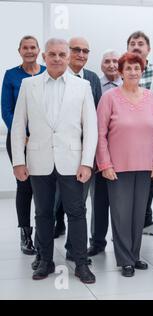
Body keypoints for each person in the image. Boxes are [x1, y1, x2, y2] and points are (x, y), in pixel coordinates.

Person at [11, 38, 98, 283]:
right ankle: (45, 261)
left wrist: (87, 162)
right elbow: (18, 125)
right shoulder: (29, 85)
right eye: (52, 54)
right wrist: (18, 161)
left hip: (72, 160)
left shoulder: (82, 87)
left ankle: (81, 263)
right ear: (43, 57)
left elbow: (91, 127)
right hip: (39, 160)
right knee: (42, 213)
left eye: (62, 54)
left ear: (68, 57)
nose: (57, 58)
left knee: (77, 213)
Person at [96, 52, 153, 277]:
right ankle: (124, 259)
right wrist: (104, 164)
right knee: (121, 214)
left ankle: (135, 256)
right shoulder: (110, 98)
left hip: (145, 166)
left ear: (141, 70)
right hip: (117, 167)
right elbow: (100, 133)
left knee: (138, 216)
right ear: (121, 71)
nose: (133, 72)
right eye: (128, 68)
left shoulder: (150, 97)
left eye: (137, 68)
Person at [53, 36, 102, 239]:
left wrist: (91, 155)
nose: (81, 54)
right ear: (67, 52)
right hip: (57, 150)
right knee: (55, 199)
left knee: (78, 202)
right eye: (76, 50)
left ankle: (74, 246)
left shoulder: (92, 78)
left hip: (83, 151)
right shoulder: (54, 76)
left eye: (85, 51)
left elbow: (95, 117)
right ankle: (56, 227)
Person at [1, 35, 45, 256]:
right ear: (19, 51)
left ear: (38, 50)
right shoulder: (11, 75)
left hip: (44, 139)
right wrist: (22, 134)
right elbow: (6, 110)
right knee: (25, 186)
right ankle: (26, 233)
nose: (29, 51)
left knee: (45, 186)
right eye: (25, 48)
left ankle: (45, 231)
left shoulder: (48, 72)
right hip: (19, 141)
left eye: (33, 47)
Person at [127, 31, 153, 237]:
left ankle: (144, 221)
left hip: (151, 138)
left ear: (148, 49)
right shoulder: (121, 72)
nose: (137, 46)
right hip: (126, 139)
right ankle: (128, 225)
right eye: (133, 43)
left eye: (141, 43)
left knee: (148, 184)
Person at [86, 50, 123, 258]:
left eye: (115, 61)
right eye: (107, 61)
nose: (111, 65)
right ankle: (97, 241)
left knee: (122, 203)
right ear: (101, 65)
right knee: (99, 200)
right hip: (99, 153)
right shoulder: (93, 85)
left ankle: (122, 242)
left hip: (123, 153)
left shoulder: (127, 87)